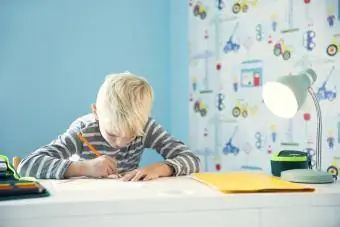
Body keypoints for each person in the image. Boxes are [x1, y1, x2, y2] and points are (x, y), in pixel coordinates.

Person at [17, 72, 200, 181]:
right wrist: (85, 168)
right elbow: (27, 165)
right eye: (112, 133)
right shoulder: (83, 130)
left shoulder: (145, 127)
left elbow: (191, 159)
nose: (120, 144)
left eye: (131, 135)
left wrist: (160, 169)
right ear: (96, 112)